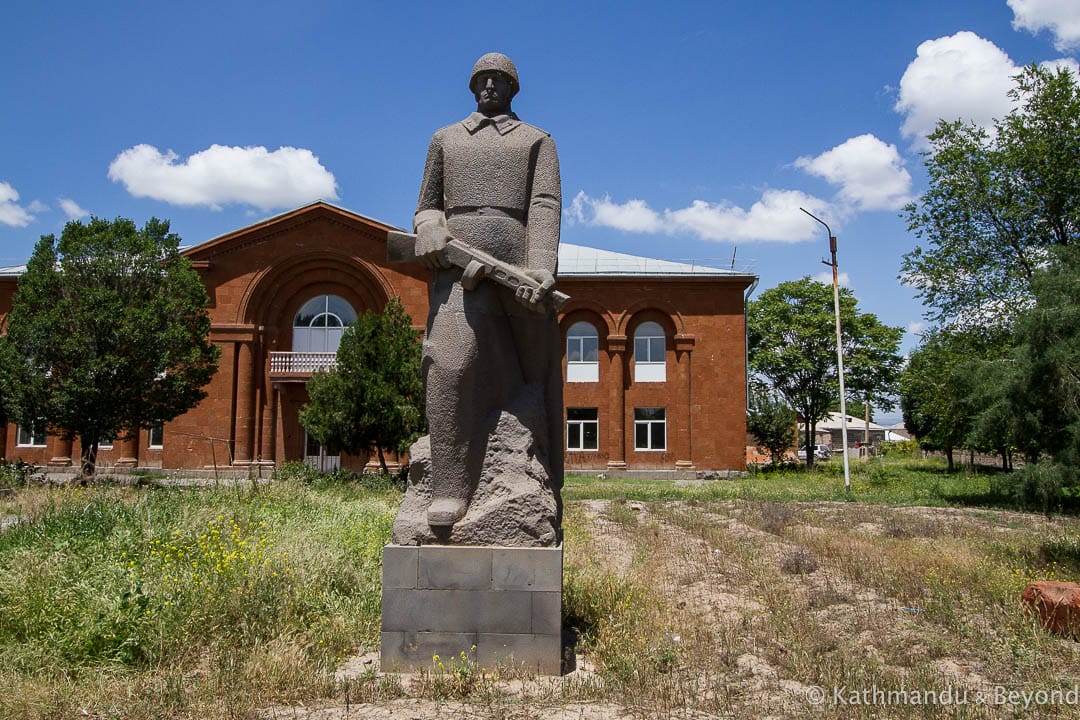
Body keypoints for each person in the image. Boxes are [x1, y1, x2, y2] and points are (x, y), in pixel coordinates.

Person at [413, 52, 563, 527]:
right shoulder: (446, 139)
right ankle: (449, 490)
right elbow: (424, 207)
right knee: (450, 363)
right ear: (472, 86)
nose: (491, 87)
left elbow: (543, 206)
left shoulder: (536, 140)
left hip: (516, 273)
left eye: (500, 80)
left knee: (530, 376)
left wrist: (538, 269)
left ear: (513, 87)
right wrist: (431, 228)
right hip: (457, 275)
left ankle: (540, 473)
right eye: (483, 79)